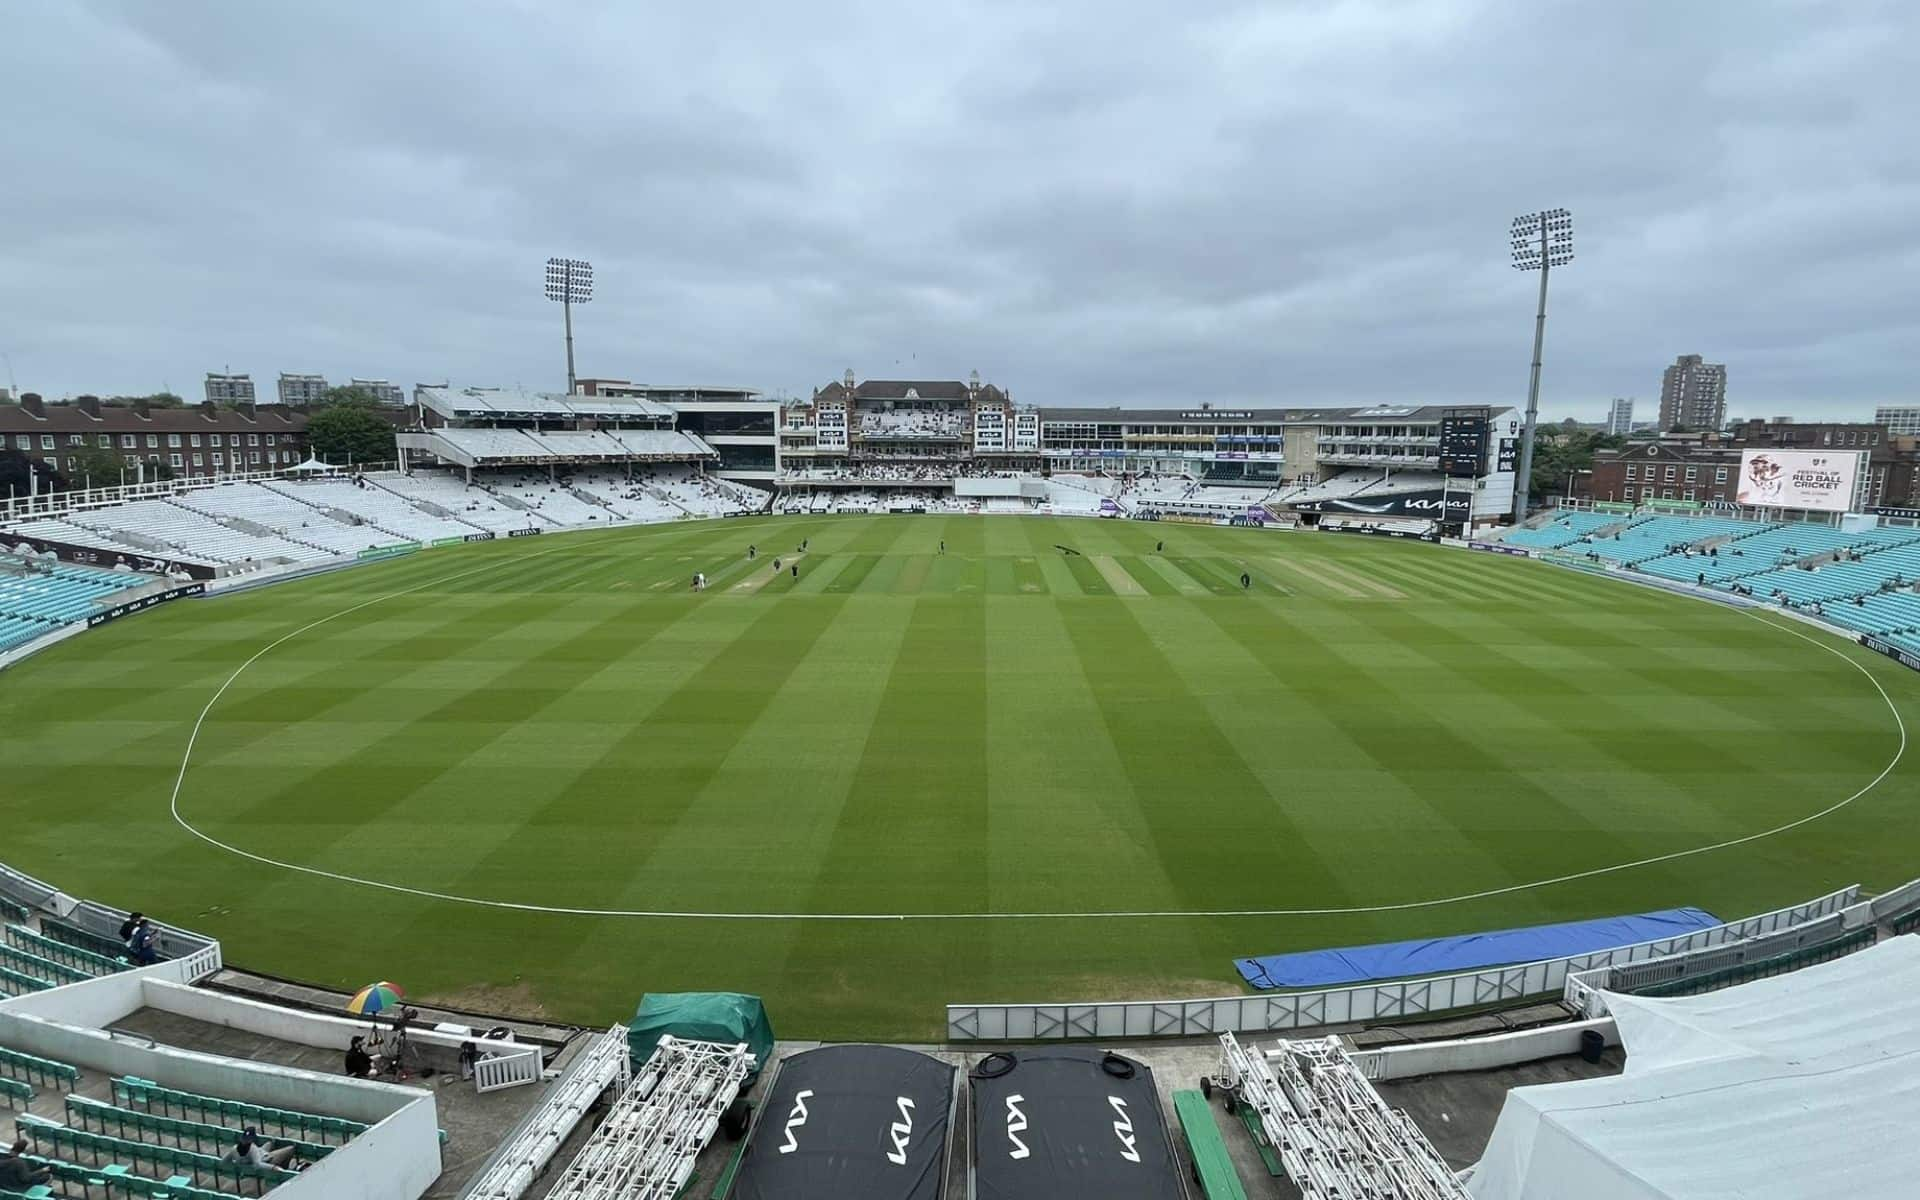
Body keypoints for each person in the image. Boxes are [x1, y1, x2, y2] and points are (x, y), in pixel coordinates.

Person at [226, 1128, 298, 1170]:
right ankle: (284, 1168)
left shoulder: (234, 1148)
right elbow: (258, 1164)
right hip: (266, 1160)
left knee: (270, 1143)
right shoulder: (252, 1149)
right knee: (291, 1148)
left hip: (259, 1154)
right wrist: (273, 1167)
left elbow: (223, 1162)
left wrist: (237, 1163)